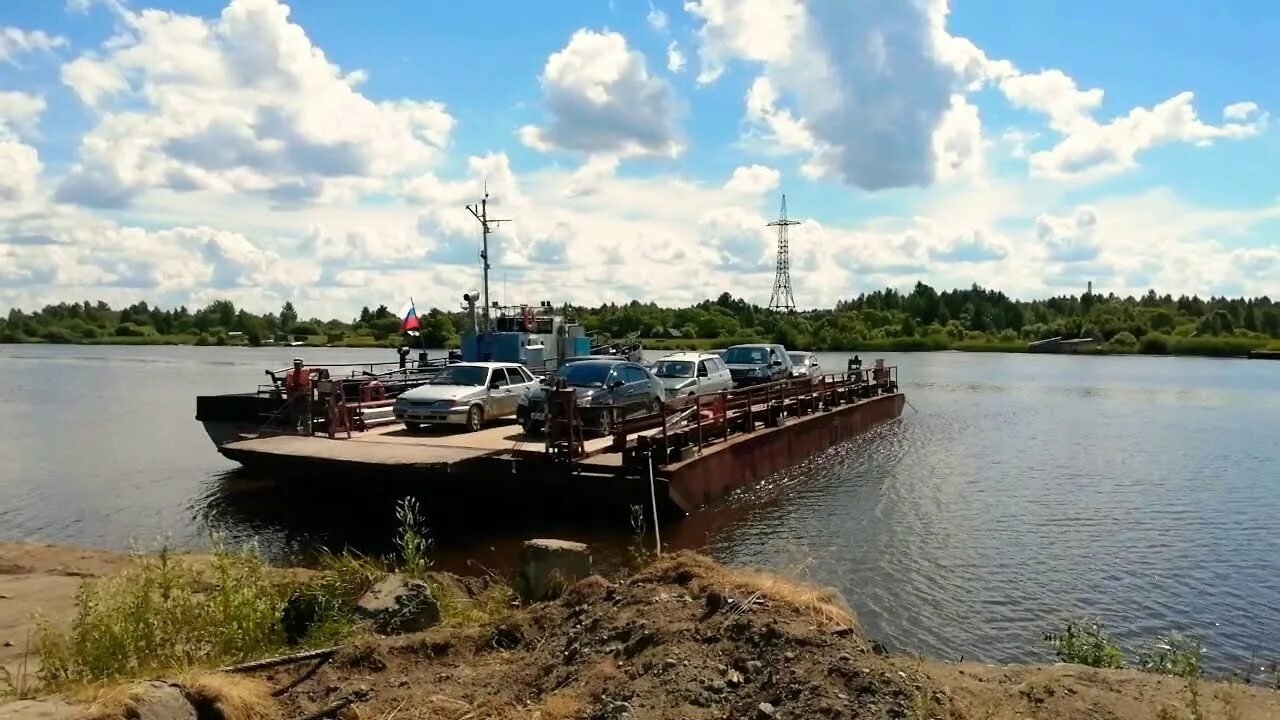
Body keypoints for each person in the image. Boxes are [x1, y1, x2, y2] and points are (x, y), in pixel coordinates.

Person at [283, 357, 314, 433]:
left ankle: (307, 430)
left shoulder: (306, 371)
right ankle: (294, 429)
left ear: (302, 365)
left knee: (306, 414)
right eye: (295, 364)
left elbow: (318, 371)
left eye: (298, 364)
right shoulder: (290, 374)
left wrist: (309, 382)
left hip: (305, 395)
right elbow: (287, 385)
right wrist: (290, 395)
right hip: (294, 395)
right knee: (294, 414)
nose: (297, 366)